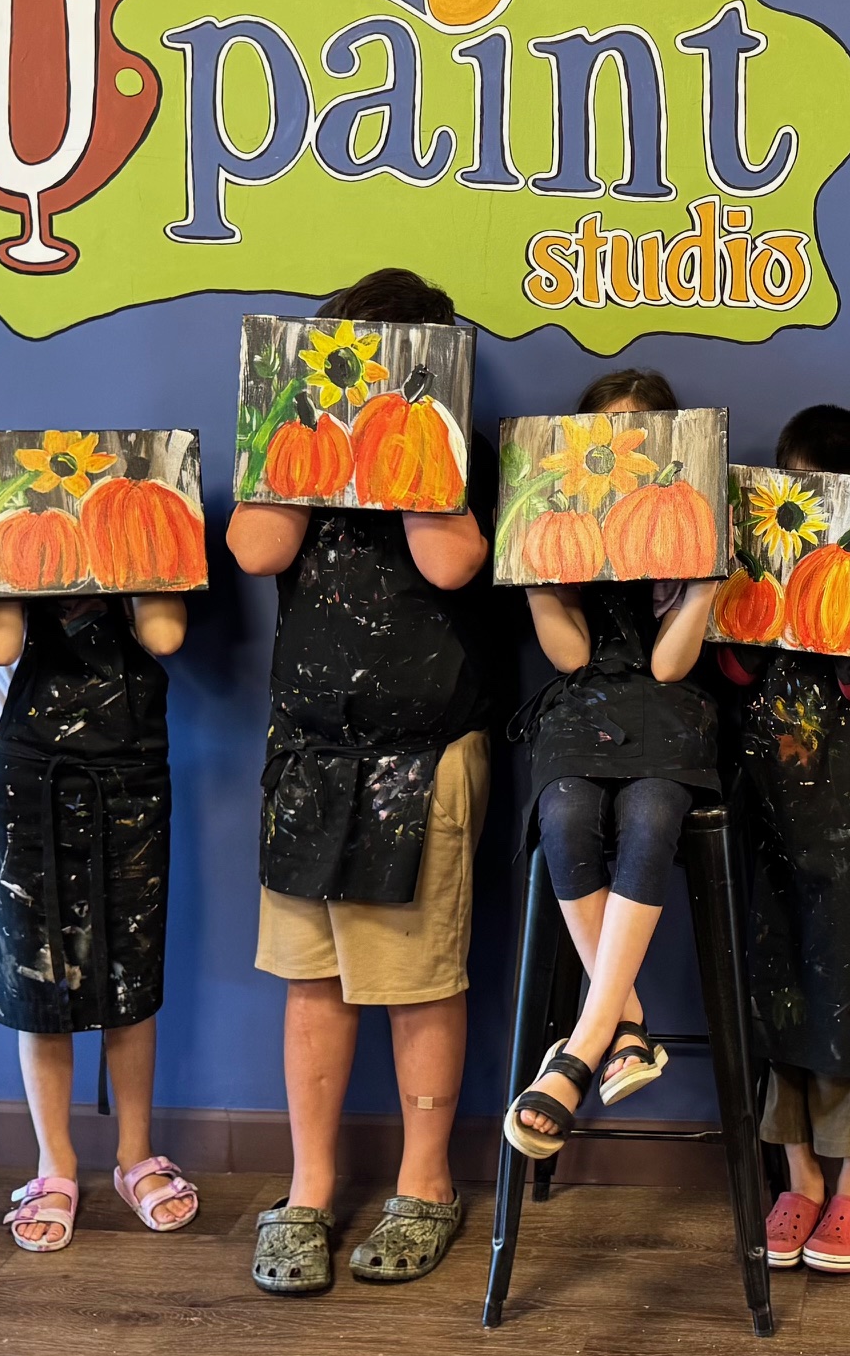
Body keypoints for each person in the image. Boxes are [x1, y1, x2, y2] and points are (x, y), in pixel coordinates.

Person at [229, 269, 495, 1296]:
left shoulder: (455, 454)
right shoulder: (295, 445)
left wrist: (409, 440)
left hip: (424, 755)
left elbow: (449, 565)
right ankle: (309, 1187)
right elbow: (258, 547)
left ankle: (426, 1182)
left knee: (418, 977)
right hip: (309, 750)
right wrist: (301, 425)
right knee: (313, 979)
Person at [712, 406, 850, 1276]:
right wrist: (752, 585)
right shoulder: (758, 577)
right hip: (768, 820)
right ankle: (798, 1174)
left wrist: (842, 616)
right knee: (778, 995)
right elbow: (733, 667)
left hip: (849, 827)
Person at [504, 369, 723, 1162]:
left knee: (654, 809)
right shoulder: (564, 516)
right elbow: (570, 656)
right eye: (606, 435)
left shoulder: (685, 512)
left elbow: (668, 669)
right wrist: (531, 568)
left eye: (641, 434)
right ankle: (624, 1023)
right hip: (582, 704)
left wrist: (702, 587)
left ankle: (582, 1047)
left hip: (670, 706)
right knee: (564, 809)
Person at [0, 588, 197, 1252]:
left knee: (131, 974)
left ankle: (135, 1155)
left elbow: (164, 635)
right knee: (38, 980)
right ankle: (55, 1162)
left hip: (130, 779)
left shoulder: (145, 550)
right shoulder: (2, 540)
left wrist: (133, 558)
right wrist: (11, 561)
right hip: (30, 781)